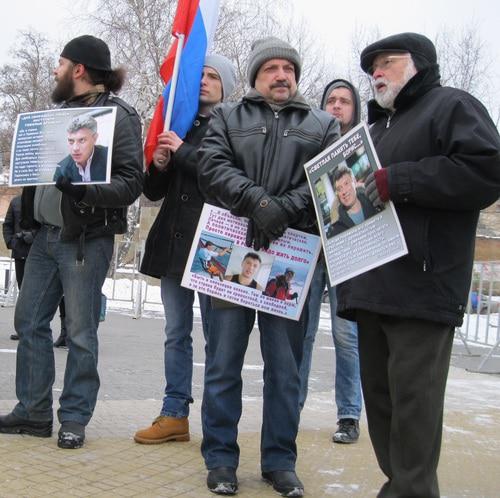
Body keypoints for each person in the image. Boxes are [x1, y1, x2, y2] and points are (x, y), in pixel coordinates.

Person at [336, 33, 500, 497]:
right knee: (384, 407)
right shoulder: (375, 131)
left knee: (414, 408)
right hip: (371, 289)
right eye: (371, 68)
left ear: (419, 64)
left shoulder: (450, 106)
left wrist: (401, 179)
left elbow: (487, 171)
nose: (377, 73)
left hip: (422, 289)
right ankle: (401, 489)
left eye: (387, 62)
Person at [198, 37, 340, 496]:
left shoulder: (323, 124)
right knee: (223, 363)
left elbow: (329, 181)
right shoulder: (227, 116)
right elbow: (211, 166)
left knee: (286, 369)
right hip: (234, 252)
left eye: (289, 68)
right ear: (257, 75)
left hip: (291, 263)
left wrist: (281, 211)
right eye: (272, 68)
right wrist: (257, 202)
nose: (282, 75)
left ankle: (279, 461)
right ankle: (220, 459)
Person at [0, 35, 143, 450]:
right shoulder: (58, 114)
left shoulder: (119, 116)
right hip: (43, 237)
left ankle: (74, 417)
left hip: (85, 240)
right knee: (28, 322)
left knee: (80, 331)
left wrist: (84, 193)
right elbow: (40, 175)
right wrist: (26, 214)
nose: (55, 71)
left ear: (79, 69)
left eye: (60, 63)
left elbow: (133, 182)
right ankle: (33, 411)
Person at [134, 54, 236, 445]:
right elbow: (154, 193)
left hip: (215, 247)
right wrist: (159, 164)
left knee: (217, 336)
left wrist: (184, 153)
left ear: (226, 87)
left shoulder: (234, 127)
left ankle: (216, 420)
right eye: (200, 75)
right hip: (174, 245)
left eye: (213, 77)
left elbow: (226, 183)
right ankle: (174, 413)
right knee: (176, 332)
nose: (204, 81)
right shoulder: (178, 124)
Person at [298, 79, 363, 445]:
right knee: (302, 334)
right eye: (331, 100)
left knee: (345, 335)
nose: (337, 106)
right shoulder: (308, 144)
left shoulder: (362, 151)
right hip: (309, 250)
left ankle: (349, 414)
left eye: (345, 101)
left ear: (355, 109)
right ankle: (293, 406)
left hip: (347, 252)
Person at [2, 195, 36, 340]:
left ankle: (35, 329)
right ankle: (23, 329)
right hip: (20, 252)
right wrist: (11, 242)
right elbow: (7, 224)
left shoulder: (40, 199)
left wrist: (33, 235)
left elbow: (47, 225)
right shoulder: (15, 201)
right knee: (24, 293)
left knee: (36, 292)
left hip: (38, 253)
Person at [54, 114, 108, 183]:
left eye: (82, 140)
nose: (75, 148)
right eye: (71, 141)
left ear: (95, 138)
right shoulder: (61, 168)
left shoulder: (109, 156)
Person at [330, 165, 376, 236]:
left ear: (354, 182)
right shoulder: (338, 226)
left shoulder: (374, 203)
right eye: (339, 189)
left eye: (346, 183)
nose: (344, 191)